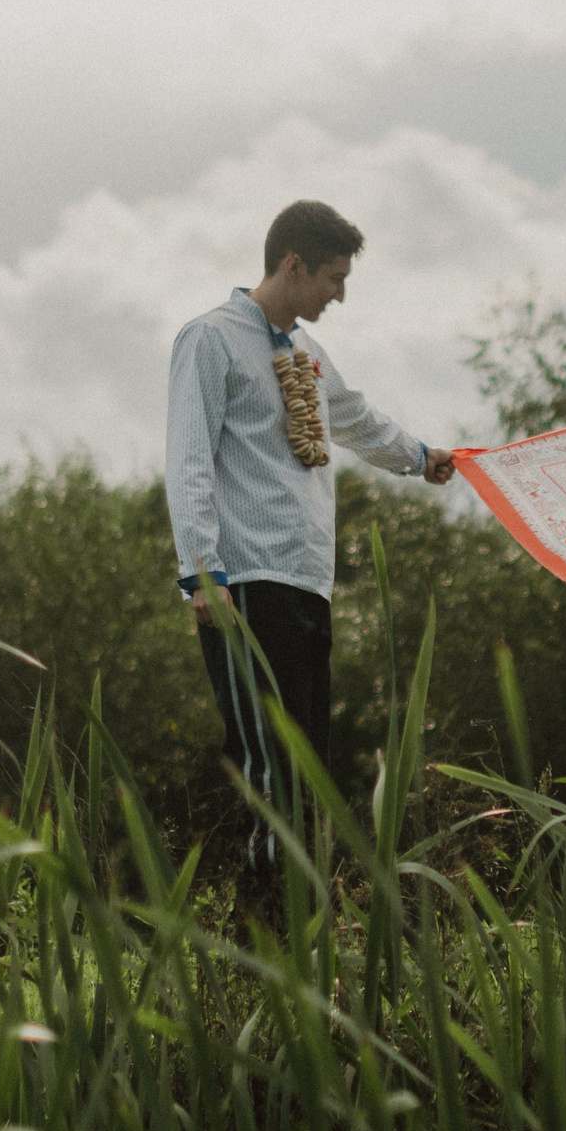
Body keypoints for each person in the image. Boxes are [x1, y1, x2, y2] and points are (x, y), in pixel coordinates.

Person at [164, 199, 456, 869]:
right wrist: (202, 571)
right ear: (293, 264)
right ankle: (270, 932)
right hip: (245, 583)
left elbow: (354, 419)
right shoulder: (209, 340)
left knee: (308, 762)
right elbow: (188, 461)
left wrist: (420, 456)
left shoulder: (309, 353)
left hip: (305, 582)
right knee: (271, 763)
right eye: (332, 278)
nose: (339, 295)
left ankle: (301, 929)